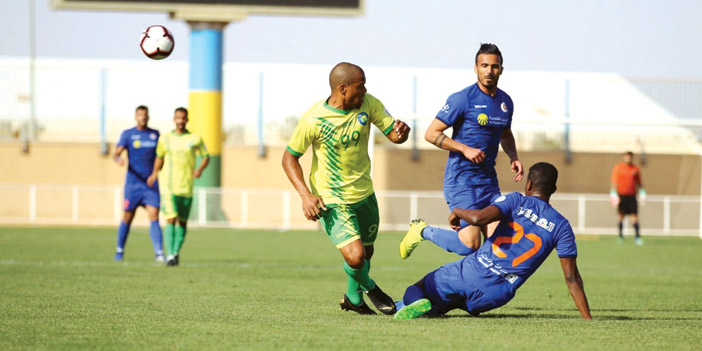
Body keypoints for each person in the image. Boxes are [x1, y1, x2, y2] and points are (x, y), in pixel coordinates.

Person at [282, 62, 410, 315]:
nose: (364, 90)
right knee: (355, 257)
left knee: (367, 252)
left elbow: (393, 135)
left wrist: (402, 133)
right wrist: (306, 195)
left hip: (364, 193)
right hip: (331, 197)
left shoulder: (368, 103)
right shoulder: (313, 119)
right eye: (359, 86)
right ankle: (372, 289)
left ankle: (353, 298)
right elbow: (289, 158)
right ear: (342, 88)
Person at [394, 162, 591, 321]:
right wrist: (587, 318)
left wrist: (457, 212)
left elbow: (479, 218)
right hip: (494, 295)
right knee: (444, 305)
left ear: (528, 184)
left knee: (417, 289)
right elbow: (572, 277)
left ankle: (415, 301)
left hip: (470, 273)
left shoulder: (516, 200)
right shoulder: (562, 226)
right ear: (554, 189)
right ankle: (420, 307)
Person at [399, 43, 523, 260]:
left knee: (500, 246)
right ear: (475, 68)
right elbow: (431, 133)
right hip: (461, 180)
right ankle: (421, 231)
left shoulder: (506, 102)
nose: (489, 71)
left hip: (488, 182)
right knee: (470, 244)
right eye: (484, 65)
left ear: (501, 69)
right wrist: (464, 149)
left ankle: (474, 291)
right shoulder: (462, 99)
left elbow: (505, 134)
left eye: (494, 66)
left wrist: (514, 157)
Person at [147, 107, 210, 266]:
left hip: (186, 187)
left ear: (187, 119)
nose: (180, 121)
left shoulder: (195, 139)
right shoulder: (165, 138)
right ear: (174, 119)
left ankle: (175, 253)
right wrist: (154, 173)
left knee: (182, 222)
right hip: (168, 186)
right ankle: (170, 256)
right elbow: (159, 157)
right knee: (171, 218)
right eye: (178, 118)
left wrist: (199, 170)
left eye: (183, 118)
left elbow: (206, 156)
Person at [113, 105, 164, 262]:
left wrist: (155, 173)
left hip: (150, 185)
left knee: (154, 214)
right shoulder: (128, 134)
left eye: (145, 115)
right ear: (135, 117)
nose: (143, 117)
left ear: (148, 117)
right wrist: (118, 159)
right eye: (140, 115)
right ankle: (119, 250)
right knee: (128, 217)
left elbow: (160, 157)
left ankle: (159, 253)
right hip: (133, 185)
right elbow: (116, 153)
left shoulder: (155, 135)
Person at [610, 151, 644, 245]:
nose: (628, 158)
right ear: (623, 157)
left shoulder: (635, 169)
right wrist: (613, 192)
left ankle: (637, 237)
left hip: (632, 196)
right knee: (621, 216)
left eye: (630, 157)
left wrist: (642, 191)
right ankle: (620, 236)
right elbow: (614, 181)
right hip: (622, 196)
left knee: (634, 217)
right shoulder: (618, 168)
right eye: (626, 157)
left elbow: (639, 182)